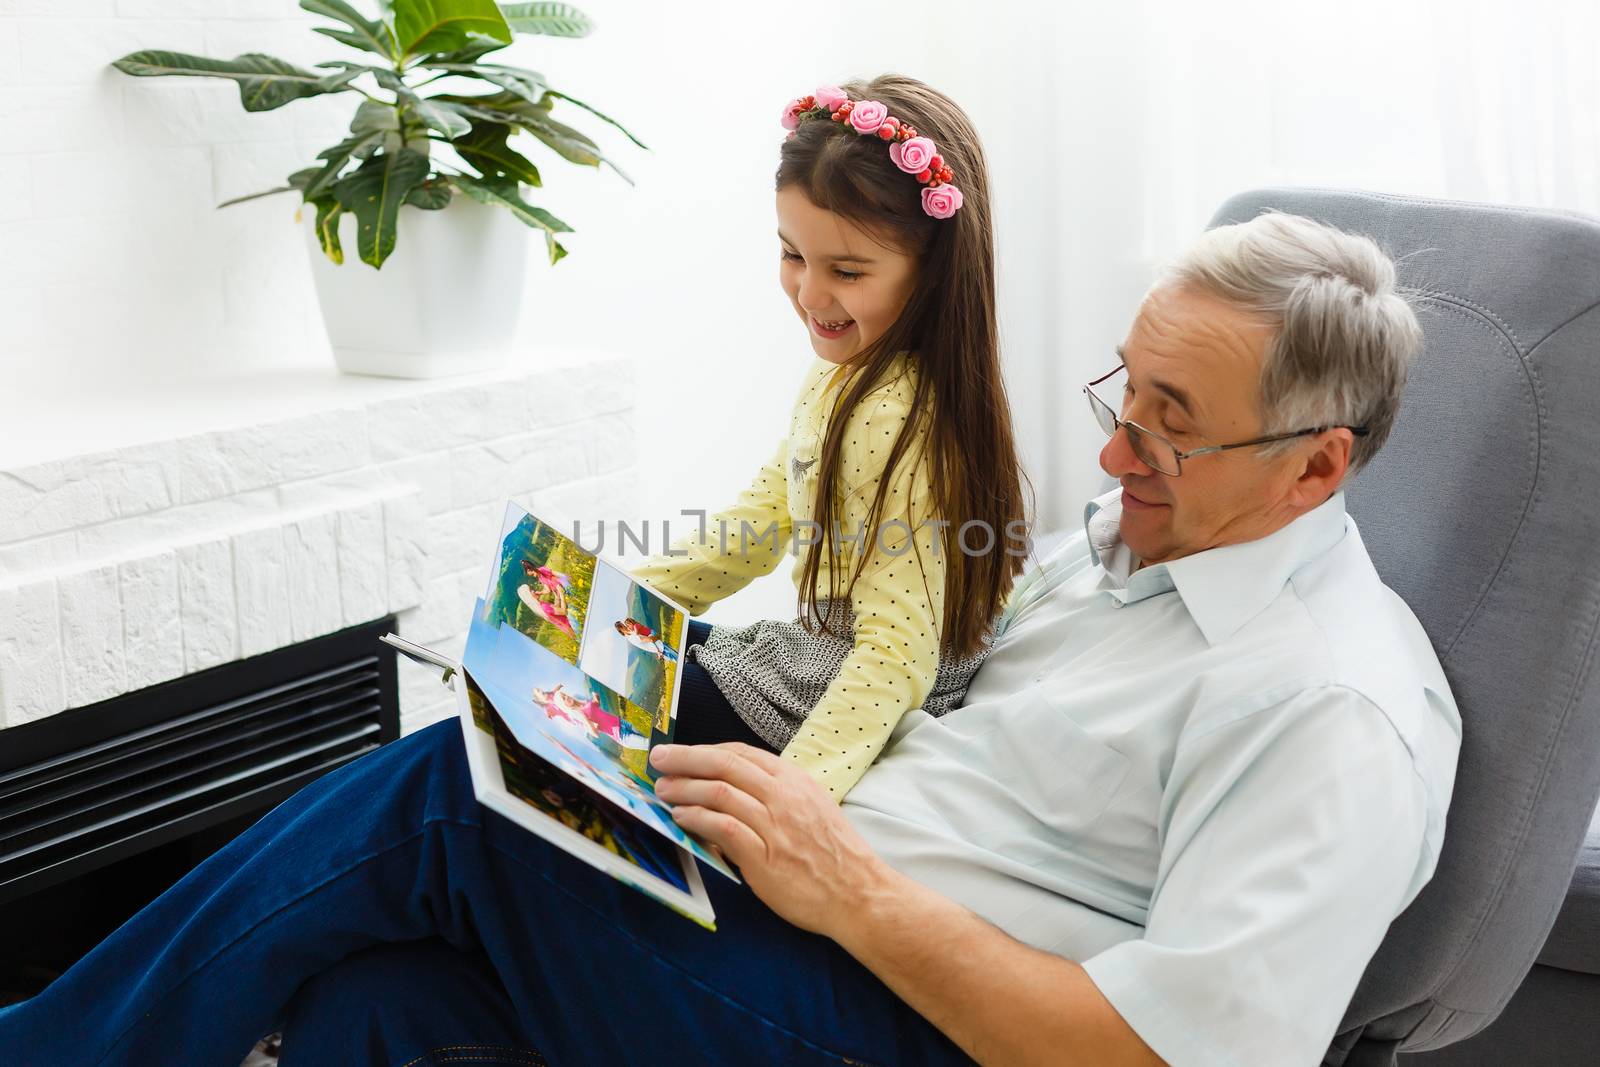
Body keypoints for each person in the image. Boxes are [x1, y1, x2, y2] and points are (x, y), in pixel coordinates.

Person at [0, 211, 1461, 1067]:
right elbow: (900, 660)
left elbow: (1163, 1057)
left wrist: (852, 892)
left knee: (462, 799)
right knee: (372, 997)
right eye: (1122, 393)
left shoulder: (1330, 713)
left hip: (903, 1011)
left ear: (1316, 466)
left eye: (1171, 424)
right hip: (800, 907)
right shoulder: (1124, 559)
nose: (1114, 451)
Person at [632, 75, 1032, 801]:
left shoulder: (895, 415)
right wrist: (623, 597)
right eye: (793, 255)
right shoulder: (844, 381)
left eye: (846, 271)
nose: (810, 294)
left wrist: (795, 797)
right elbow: (757, 524)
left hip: (818, 703)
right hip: (810, 667)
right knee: (602, 644)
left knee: (572, 688)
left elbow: (895, 652)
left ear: (933, 269)